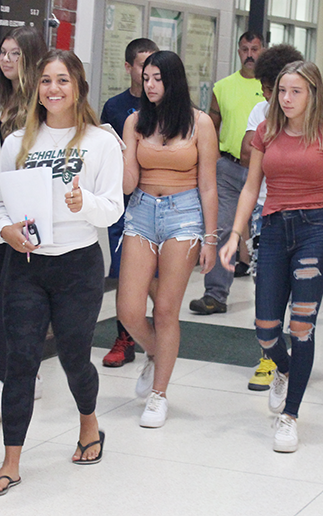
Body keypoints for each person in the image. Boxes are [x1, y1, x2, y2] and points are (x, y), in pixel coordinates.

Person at [0, 50, 124, 495]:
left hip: (78, 266)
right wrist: (4, 229)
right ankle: (10, 462)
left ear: (77, 85)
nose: (53, 89)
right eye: (45, 81)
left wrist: (86, 204)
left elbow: (113, 207)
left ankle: (88, 423)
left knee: (74, 357)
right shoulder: (16, 142)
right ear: (36, 88)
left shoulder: (101, 142)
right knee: (19, 360)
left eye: (62, 80)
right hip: (25, 265)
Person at [220, 60, 323, 452]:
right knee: (265, 328)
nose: (286, 98)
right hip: (275, 229)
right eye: (282, 91)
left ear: (313, 93)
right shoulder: (266, 132)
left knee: (301, 326)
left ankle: (290, 415)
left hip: (314, 231)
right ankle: (283, 368)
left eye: (295, 91)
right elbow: (250, 189)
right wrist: (235, 235)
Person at [117, 50, 219, 428]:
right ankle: (156, 353)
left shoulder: (199, 123)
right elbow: (128, 183)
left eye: (157, 78)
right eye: (146, 79)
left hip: (185, 214)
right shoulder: (135, 122)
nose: (150, 85)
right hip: (141, 211)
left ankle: (159, 395)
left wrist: (210, 238)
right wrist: (115, 156)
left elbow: (208, 185)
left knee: (165, 311)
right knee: (128, 309)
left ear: (173, 80)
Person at [0, 26, 47, 420]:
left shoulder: (44, 104)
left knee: (14, 296)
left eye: (15, 53)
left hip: (26, 215)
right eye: (2, 52)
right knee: (11, 292)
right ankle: (23, 373)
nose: (5, 59)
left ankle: (4, 378)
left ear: (31, 59)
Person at [239, 44, 305, 391]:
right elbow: (247, 150)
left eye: (273, 87)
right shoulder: (259, 112)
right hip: (266, 214)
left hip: (305, 218)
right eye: (265, 89)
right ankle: (269, 357)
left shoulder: (312, 118)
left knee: (299, 298)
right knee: (266, 291)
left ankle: (295, 356)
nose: (268, 95)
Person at [188, 32, 264, 317]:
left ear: (262, 50)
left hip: (265, 171)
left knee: (266, 236)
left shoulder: (273, 87)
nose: (249, 54)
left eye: (254, 48)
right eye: (244, 48)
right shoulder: (223, 87)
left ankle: (272, 301)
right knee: (221, 230)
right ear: (238, 50)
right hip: (229, 168)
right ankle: (215, 294)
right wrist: (214, 160)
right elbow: (212, 125)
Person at [99, 37, 159, 368]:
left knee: (155, 282)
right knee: (125, 274)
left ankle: (157, 334)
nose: (149, 71)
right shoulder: (115, 106)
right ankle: (125, 337)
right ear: (128, 68)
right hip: (123, 206)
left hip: (156, 203)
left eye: (154, 64)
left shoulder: (165, 107)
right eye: (142, 64)